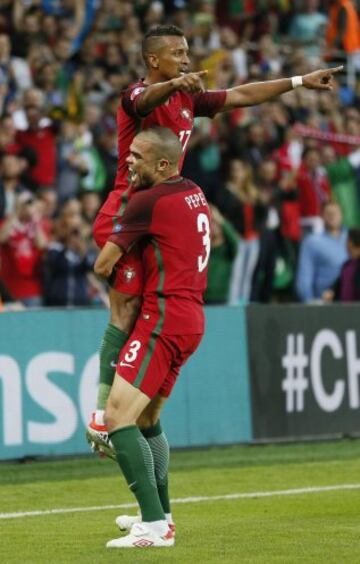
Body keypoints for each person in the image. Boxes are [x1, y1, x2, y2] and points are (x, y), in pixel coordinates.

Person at [88, 23, 342, 453]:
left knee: (152, 312)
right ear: (154, 60)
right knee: (127, 305)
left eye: (187, 52)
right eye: (177, 53)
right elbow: (146, 98)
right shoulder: (135, 97)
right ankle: (101, 413)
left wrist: (299, 80)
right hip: (124, 216)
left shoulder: (189, 99)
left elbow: (242, 94)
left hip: (159, 220)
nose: (187, 59)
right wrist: (171, 84)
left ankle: (143, 459)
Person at [94, 127, 210, 549]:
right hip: (191, 316)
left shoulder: (148, 200)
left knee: (115, 418)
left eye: (137, 158)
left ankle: (153, 527)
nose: (128, 163)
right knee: (146, 420)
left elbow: (103, 263)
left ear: (163, 164)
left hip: (162, 318)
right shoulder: (192, 190)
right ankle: (162, 515)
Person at [296, 200, 348, 302]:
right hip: (325, 303)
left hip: (351, 302)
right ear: (321, 216)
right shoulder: (312, 242)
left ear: (342, 215)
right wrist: (309, 303)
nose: (332, 217)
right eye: (328, 214)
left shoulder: (351, 238)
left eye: (336, 213)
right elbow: (304, 277)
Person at [322, 228, 360, 302]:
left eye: (347, 240)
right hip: (345, 310)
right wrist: (331, 292)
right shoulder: (346, 265)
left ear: (351, 243)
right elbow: (338, 285)